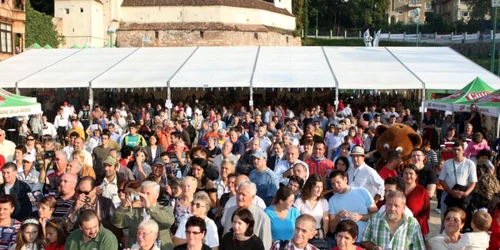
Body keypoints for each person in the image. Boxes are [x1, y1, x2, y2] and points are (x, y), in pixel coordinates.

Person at [113, 181, 175, 250]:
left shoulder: (165, 209)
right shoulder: (134, 211)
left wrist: (150, 208)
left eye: (148, 193)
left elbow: (169, 222)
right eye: (142, 193)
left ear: (156, 195)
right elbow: (117, 223)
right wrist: (123, 207)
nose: (144, 196)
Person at [361, 190, 425, 250]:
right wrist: (374, 247)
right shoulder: (374, 219)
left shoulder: (412, 223)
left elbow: (419, 247)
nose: (392, 208)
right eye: (389, 205)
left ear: (404, 208)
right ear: (385, 205)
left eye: (396, 206)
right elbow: (364, 240)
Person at [328, 170, 378, 243]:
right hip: (344, 243)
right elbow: (332, 229)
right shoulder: (332, 200)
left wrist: (361, 217)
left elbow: (376, 216)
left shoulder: (363, 192)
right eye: (333, 184)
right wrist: (338, 216)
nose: (336, 186)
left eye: (338, 182)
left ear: (345, 179)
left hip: (365, 241)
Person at [223, 181, 272, 250]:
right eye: (238, 193)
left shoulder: (262, 218)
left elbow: (266, 246)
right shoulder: (230, 211)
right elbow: (226, 236)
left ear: (253, 197)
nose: (240, 197)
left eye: (243, 195)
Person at [439, 142, 477, 230]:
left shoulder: (470, 164)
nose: (456, 152)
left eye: (459, 150)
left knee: (462, 219)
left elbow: (473, 182)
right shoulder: (447, 163)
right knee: (445, 219)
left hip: (463, 195)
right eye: (454, 150)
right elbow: (441, 180)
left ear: (463, 150)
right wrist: (450, 191)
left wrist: (466, 193)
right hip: (448, 193)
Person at [294, 174, 329, 238]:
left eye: (321, 187)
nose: (320, 189)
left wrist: (324, 234)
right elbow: (295, 219)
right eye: (317, 187)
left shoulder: (324, 202)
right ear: (310, 187)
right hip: (302, 234)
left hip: (317, 234)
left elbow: (325, 221)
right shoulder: (299, 201)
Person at [402, 164, 430, 236]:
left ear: (416, 176)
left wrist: (414, 224)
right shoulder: (397, 189)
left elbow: (425, 213)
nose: (408, 176)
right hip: (398, 227)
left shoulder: (422, 192)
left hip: (416, 227)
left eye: (411, 173)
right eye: (406, 173)